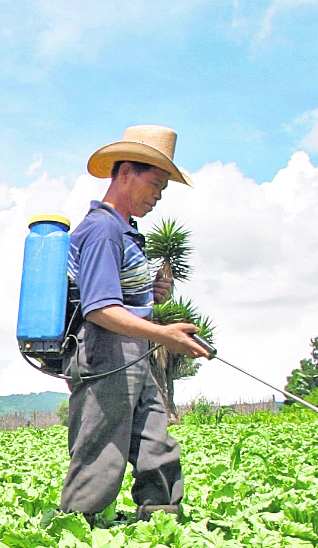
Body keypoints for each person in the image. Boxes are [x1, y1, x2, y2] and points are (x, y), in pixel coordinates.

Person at [58, 126, 209, 525]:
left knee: (155, 441)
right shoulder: (103, 229)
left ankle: (162, 524)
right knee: (101, 449)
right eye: (154, 184)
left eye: (163, 188)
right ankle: (73, 532)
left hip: (131, 352)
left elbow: (120, 298)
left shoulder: (127, 233)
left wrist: (154, 295)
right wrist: (165, 335)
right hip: (104, 350)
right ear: (125, 172)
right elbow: (99, 309)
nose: (157, 195)